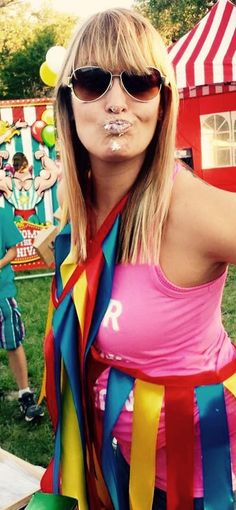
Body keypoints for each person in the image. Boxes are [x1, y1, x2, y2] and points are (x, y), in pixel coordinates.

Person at [40, 8, 236, 510]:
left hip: (209, 482)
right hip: (125, 468)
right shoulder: (77, 197)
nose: (116, 102)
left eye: (140, 82)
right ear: (69, 100)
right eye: (92, 81)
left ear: (162, 99)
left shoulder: (191, 209)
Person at [0, 207, 44, 421]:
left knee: (13, 342)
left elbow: (13, 251)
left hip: (2, 293)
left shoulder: (1, 214)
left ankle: (25, 393)